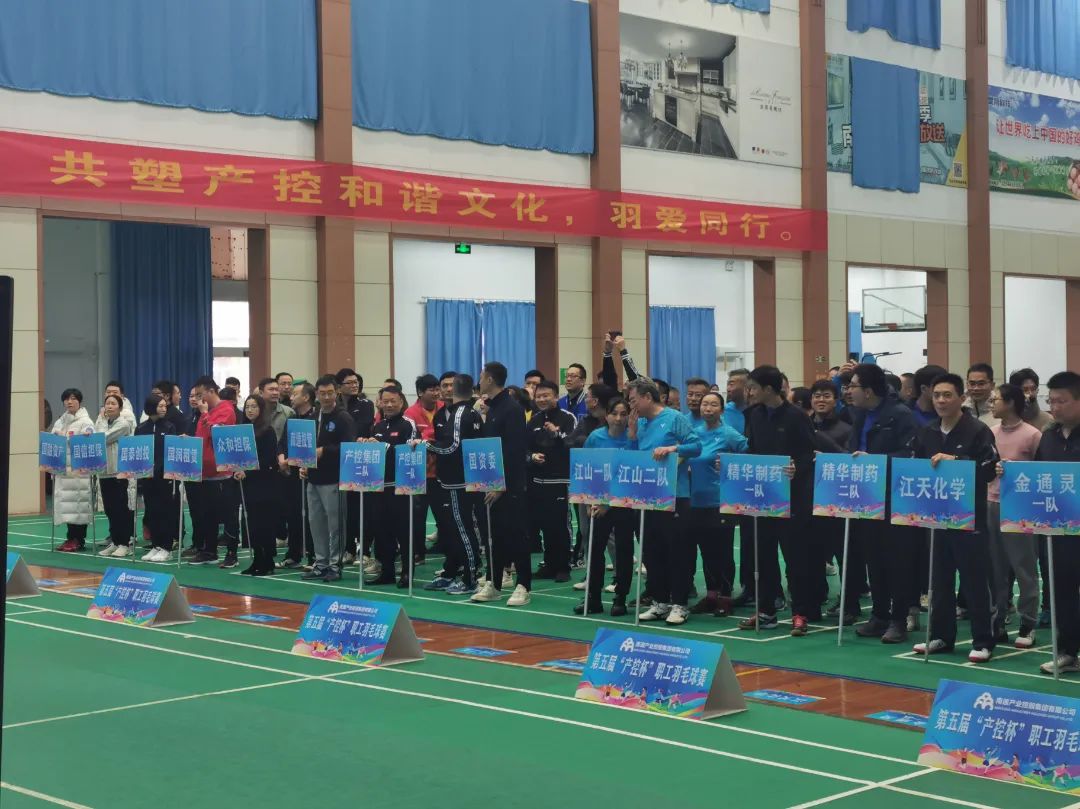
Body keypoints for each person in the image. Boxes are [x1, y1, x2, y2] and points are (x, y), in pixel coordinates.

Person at [910, 373, 999, 663]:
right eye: (937, 395)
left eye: (947, 395)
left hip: (968, 518)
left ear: (961, 398)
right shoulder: (927, 431)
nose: (941, 400)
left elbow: (989, 469)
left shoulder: (978, 431)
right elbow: (915, 468)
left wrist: (957, 463)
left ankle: (983, 640)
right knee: (939, 580)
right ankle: (941, 636)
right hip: (936, 517)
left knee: (974, 581)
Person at [737, 367, 818, 635]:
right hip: (764, 497)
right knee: (763, 556)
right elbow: (753, 450)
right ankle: (766, 611)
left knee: (796, 559)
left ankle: (801, 612)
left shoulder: (796, 416)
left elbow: (809, 454)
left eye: (753, 387)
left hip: (793, 499)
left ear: (769, 389)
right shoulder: (755, 415)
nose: (749, 392)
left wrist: (797, 468)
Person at [842, 363, 919, 643]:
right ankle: (879, 615)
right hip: (867, 497)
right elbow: (853, 448)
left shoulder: (900, 415)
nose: (848, 391)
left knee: (896, 560)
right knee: (873, 559)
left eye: (853, 386)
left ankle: (899, 619)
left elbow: (910, 455)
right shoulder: (860, 415)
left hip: (894, 498)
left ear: (869, 391)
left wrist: (874, 461)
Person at [627, 378, 702, 626]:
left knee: (677, 551)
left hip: (675, 495)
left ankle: (680, 603)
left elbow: (696, 446)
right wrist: (632, 434)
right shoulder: (640, 423)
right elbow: (635, 456)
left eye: (633, 400)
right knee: (652, 550)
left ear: (648, 397)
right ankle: (660, 601)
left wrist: (672, 450)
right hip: (648, 496)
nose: (631, 405)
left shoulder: (673, 418)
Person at [471, 362, 532, 606]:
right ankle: (494, 583)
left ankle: (523, 585)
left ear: (489, 379)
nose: (479, 380)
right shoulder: (492, 408)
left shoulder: (512, 409)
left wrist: (501, 486)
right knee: (493, 536)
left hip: (510, 486)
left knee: (516, 535)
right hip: (490, 483)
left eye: (481, 376)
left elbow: (514, 452)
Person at [988, 383, 1043, 649]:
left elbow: (1042, 473)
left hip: (1021, 508)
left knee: (1024, 567)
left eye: (996, 399)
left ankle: (1028, 622)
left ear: (1010, 403)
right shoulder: (990, 432)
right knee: (995, 568)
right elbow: (983, 466)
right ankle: (996, 621)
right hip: (992, 503)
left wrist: (1018, 469)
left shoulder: (1032, 434)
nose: (992, 403)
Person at [1035, 372, 1080, 675]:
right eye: (1051, 401)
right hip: (1058, 530)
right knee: (1062, 591)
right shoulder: (1049, 436)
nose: (1054, 407)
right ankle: (1068, 652)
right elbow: (1038, 476)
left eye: (1061, 401)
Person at [688, 392, 748, 617]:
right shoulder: (694, 434)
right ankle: (711, 595)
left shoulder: (728, 434)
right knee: (706, 551)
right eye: (705, 404)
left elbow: (749, 454)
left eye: (713, 405)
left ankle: (725, 597)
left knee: (723, 551)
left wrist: (731, 464)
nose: (708, 408)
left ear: (722, 410)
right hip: (696, 501)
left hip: (721, 502)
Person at [576, 397, 636, 616]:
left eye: (623, 414)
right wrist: (590, 500)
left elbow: (631, 474)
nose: (618, 419)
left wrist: (607, 503)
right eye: (614, 414)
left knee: (624, 550)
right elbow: (586, 467)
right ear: (607, 416)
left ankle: (621, 597)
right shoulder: (596, 437)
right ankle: (593, 598)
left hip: (624, 503)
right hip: (597, 503)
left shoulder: (633, 439)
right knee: (594, 549)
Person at [426, 373, 485, 595]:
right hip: (461, 480)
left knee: (463, 528)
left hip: (458, 482)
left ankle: (470, 578)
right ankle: (456, 571)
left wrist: (425, 446)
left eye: (451, 386)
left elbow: (452, 447)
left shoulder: (461, 413)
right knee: (456, 529)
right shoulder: (471, 413)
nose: (447, 389)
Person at [300, 376, 356, 582]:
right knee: (316, 524)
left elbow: (349, 446)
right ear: (316, 394)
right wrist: (304, 464)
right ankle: (321, 563)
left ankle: (335, 565)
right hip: (313, 478)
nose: (326, 397)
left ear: (336, 393)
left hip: (334, 479)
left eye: (330, 393)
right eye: (322, 393)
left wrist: (325, 450)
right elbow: (306, 446)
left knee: (335, 525)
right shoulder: (313, 416)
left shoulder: (343, 417)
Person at [367, 387, 420, 587]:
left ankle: (407, 573)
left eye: (393, 401)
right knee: (382, 531)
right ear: (380, 403)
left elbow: (410, 452)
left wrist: (383, 447)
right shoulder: (378, 426)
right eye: (385, 401)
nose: (389, 405)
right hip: (379, 487)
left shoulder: (408, 424)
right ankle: (387, 572)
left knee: (404, 532)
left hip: (401, 488)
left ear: (401, 402)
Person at [526, 380, 578, 582]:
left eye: (546, 395)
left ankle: (564, 566)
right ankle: (549, 564)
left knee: (560, 525)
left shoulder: (568, 418)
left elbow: (573, 443)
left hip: (560, 480)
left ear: (556, 397)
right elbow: (524, 446)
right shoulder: (534, 420)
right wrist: (531, 457)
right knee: (544, 524)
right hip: (538, 480)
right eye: (538, 396)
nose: (541, 399)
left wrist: (556, 434)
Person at [187, 376, 239, 567]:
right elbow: (201, 438)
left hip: (222, 473)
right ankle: (209, 551)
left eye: (200, 395)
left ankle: (232, 553)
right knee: (206, 514)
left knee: (228, 515)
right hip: (204, 472)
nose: (198, 399)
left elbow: (216, 434)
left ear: (211, 391)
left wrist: (204, 414)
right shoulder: (205, 412)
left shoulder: (226, 409)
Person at [235, 394, 281, 576]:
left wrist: (247, 471)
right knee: (253, 524)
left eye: (254, 406)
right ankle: (257, 559)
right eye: (247, 407)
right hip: (248, 484)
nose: (250, 410)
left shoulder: (267, 431)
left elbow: (268, 459)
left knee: (265, 523)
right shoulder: (243, 431)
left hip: (265, 484)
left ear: (261, 409)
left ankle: (267, 561)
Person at [276, 381, 316, 569]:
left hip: (310, 474)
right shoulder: (292, 419)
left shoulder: (316, 418)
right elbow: (282, 443)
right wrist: (282, 459)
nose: (291, 397)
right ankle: (294, 554)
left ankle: (314, 556)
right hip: (291, 473)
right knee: (293, 514)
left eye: (295, 394)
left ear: (306, 397)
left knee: (311, 516)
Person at [403, 374, 443, 564]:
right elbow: (411, 439)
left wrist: (426, 437)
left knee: (443, 515)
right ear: (420, 392)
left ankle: (447, 548)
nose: (436, 393)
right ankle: (418, 553)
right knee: (417, 516)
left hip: (441, 473)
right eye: (431, 389)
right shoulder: (410, 413)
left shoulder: (444, 408)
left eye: (437, 389)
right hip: (419, 474)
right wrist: (431, 437)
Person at [136, 394, 180, 562]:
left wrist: (159, 468)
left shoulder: (169, 427)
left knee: (165, 512)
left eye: (164, 406)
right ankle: (155, 545)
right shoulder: (141, 428)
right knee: (151, 512)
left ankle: (166, 547)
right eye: (160, 406)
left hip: (164, 477)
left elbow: (170, 451)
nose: (163, 409)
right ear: (151, 407)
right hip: (147, 477)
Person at [52, 389, 95, 552]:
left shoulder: (86, 421)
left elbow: (87, 439)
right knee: (67, 507)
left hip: (79, 472)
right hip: (64, 471)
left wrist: (66, 437)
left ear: (79, 401)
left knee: (79, 505)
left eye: (73, 399)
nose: (69, 402)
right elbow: (53, 439)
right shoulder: (61, 420)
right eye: (66, 399)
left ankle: (78, 539)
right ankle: (70, 538)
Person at [94, 393, 135, 557]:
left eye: (113, 404)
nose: (109, 406)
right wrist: (101, 421)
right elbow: (96, 437)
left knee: (120, 509)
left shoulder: (123, 424)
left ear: (120, 407)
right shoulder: (102, 422)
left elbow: (103, 438)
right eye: (107, 403)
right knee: (109, 509)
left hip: (119, 472)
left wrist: (101, 422)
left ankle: (125, 543)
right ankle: (116, 542)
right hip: (104, 471)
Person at [256, 377, 295, 443]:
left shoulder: (289, 412)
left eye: (277, 390)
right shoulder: (255, 412)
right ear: (261, 393)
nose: (275, 393)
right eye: (271, 390)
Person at [724, 369, 750, 435]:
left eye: (731, 384)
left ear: (747, 387)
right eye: (727, 384)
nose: (728, 389)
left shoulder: (759, 412)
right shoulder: (723, 411)